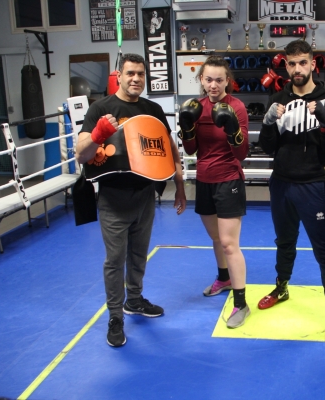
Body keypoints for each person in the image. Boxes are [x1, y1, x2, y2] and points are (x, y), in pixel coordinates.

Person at [76, 53, 186, 347]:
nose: (136, 78)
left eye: (140, 74)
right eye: (130, 73)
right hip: (113, 198)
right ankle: (115, 316)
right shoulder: (101, 108)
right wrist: (99, 133)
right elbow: (81, 154)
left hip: (145, 196)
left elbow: (167, 145)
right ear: (119, 75)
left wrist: (179, 181)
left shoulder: (152, 109)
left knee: (138, 255)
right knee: (115, 260)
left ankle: (134, 301)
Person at [258, 40, 325, 344]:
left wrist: (324, 122)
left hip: (313, 185)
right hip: (281, 182)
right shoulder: (278, 98)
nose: (297, 69)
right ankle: (281, 287)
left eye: (302, 63)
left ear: (312, 64)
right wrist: (268, 122)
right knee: (284, 241)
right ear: (286, 65)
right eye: (291, 63)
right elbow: (267, 147)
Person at [177, 56, 250, 328]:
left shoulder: (237, 107)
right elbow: (191, 150)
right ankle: (224, 278)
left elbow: (241, 153)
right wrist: (187, 127)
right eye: (208, 79)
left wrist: (232, 129)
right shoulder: (195, 108)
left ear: (227, 81)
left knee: (230, 243)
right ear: (201, 80)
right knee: (216, 238)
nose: (213, 85)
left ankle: (241, 303)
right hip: (204, 179)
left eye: (219, 79)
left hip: (229, 178)